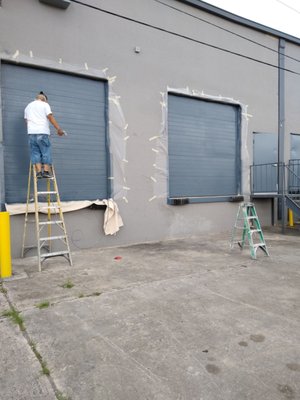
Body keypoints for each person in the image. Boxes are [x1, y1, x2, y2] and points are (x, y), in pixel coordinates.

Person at [24, 91, 64, 179]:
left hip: (31, 133)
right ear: (44, 99)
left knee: (35, 153)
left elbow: (26, 121)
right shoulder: (45, 105)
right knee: (45, 151)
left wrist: (32, 128)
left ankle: (38, 173)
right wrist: (58, 129)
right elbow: (50, 117)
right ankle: (46, 172)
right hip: (42, 132)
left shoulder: (28, 106)